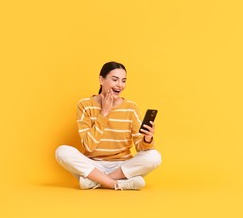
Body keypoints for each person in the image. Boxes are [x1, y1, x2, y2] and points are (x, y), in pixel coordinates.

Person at [55, 61, 162, 190]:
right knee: (62, 152)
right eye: (115, 79)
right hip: (93, 165)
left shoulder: (131, 108)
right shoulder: (85, 105)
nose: (120, 85)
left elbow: (140, 148)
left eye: (123, 81)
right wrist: (104, 113)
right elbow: (89, 146)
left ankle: (96, 182)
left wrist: (147, 139)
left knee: (154, 156)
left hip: (122, 166)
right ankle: (115, 184)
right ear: (101, 79)